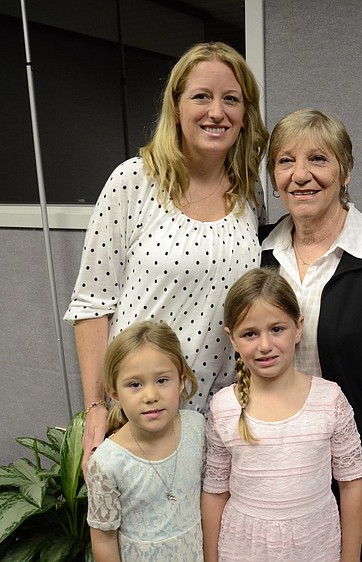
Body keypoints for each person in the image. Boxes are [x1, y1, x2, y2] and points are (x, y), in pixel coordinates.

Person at [63, 42, 269, 475]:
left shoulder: (250, 194)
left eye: (231, 99)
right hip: (139, 416)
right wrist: (97, 408)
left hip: (218, 420)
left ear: (245, 114)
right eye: (201, 96)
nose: (217, 111)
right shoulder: (134, 181)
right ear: (176, 108)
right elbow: (92, 306)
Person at [258, 109, 362, 558]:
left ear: (346, 170)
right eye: (285, 161)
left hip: (359, 467)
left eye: (318, 159)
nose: (300, 176)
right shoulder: (256, 252)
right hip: (269, 457)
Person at [202, 268, 362, 562]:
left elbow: (352, 483)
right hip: (243, 551)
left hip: (315, 547)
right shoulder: (223, 407)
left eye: (277, 329)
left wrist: (351, 558)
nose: (265, 345)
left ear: (298, 327)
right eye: (250, 334)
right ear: (232, 338)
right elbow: (215, 492)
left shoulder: (329, 400)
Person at [86, 320, 205, 561]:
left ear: (181, 381)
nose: (151, 396)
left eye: (162, 380)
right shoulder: (107, 462)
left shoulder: (197, 427)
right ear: (115, 394)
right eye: (135, 385)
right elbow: (103, 537)